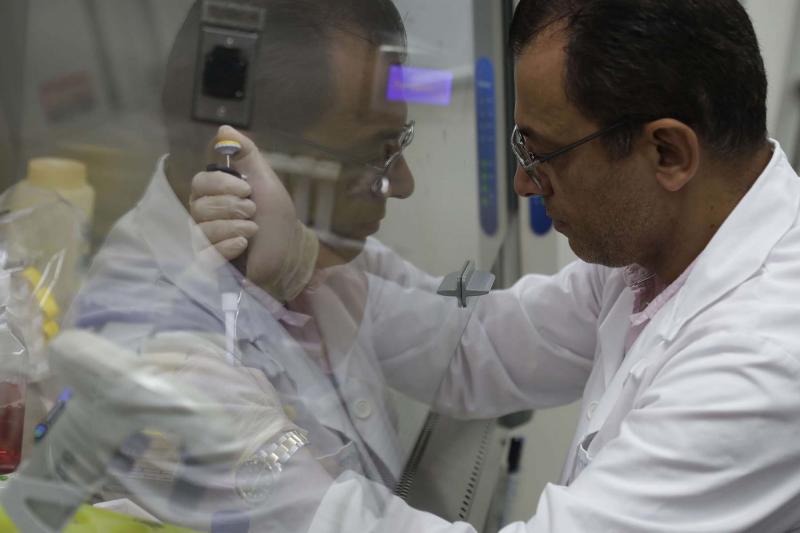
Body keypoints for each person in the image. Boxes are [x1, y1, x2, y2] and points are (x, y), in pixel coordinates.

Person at [192, 0, 800, 531]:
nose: (522, 184)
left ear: (667, 152)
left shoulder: (761, 359)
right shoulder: (665, 248)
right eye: (519, 148)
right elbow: (478, 345)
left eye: (542, 154)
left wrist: (259, 462)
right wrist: (306, 265)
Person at [61, 0, 474, 529]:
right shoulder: (157, 356)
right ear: (238, 160)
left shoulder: (302, 252)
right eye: (375, 153)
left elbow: (474, 338)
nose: (405, 183)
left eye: (400, 142)